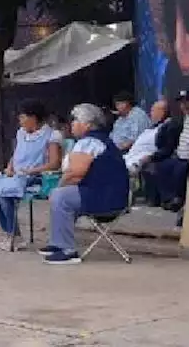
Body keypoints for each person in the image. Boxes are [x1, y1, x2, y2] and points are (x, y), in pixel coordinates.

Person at [40, 103, 129, 265]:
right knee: (61, 196)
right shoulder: (100, 140)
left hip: (105, 198)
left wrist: (58, 187)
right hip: (111, 196)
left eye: (75, 121)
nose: (72, 124)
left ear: (87, 124)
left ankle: (67, 250)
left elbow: (75, 173)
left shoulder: (89, 142)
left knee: (60, 196)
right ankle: (57, 243)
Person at [0, 99, 65, 251]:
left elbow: (54, 163)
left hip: (37, 177)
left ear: (33, 118)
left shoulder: (52, 135)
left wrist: (31, 171)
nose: (20, 120)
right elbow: (16, 155)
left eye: (23, 117)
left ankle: (15, 236)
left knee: (5, 195)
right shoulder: (21, 133)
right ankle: (10, 232)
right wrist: (9, 167)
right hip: (16, 176)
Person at [153, 89, 189, 211]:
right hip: (179, 156)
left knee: (181, 169)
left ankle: (179, 199)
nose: (184, 106)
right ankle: (168, 199)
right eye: (182, 103)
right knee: (162, 166)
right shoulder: (182, 119)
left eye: (187, 102)